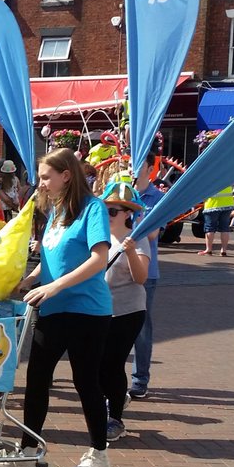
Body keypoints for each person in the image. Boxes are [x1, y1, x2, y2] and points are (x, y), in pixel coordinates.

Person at [12, 148, 112, 467]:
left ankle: (99, 454)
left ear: (65, 175)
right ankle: (27, 449)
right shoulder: (54, 212)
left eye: (45, 177)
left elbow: (98, 258)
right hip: (53, 310)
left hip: (87, 311)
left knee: (86, 382)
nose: (39, 183)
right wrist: (28, 280)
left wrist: (55, 287)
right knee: (36, 379)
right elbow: (52, 260)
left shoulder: (92, 208)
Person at [99, 182, 149, 442]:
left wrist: (130, 253)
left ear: (126, 213)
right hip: (98, 310)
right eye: (104, 208)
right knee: (96, 366)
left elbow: (141, 278)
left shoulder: (137, 239)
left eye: (111, 210)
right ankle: (117, 398)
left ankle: (115, 419)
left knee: (112, 364)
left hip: (127, 311)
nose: (106, 213)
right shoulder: (97, 235)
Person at [130, 156, 163, 401]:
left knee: (141, 328)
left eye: (139, 163)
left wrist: (132, 213)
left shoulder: (158, 198)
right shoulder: (120, 193)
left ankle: (140, 379)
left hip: (145, 272)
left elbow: (151, 235)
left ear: (150, 169)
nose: (132, 167)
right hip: (116, 271)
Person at [198, 183, 234, 257]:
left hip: (212, 204)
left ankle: (208, 250)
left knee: (210, 228)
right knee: (225, 228)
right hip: (227, 204)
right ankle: (223, 251)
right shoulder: (228, 176)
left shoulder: (209, 177)